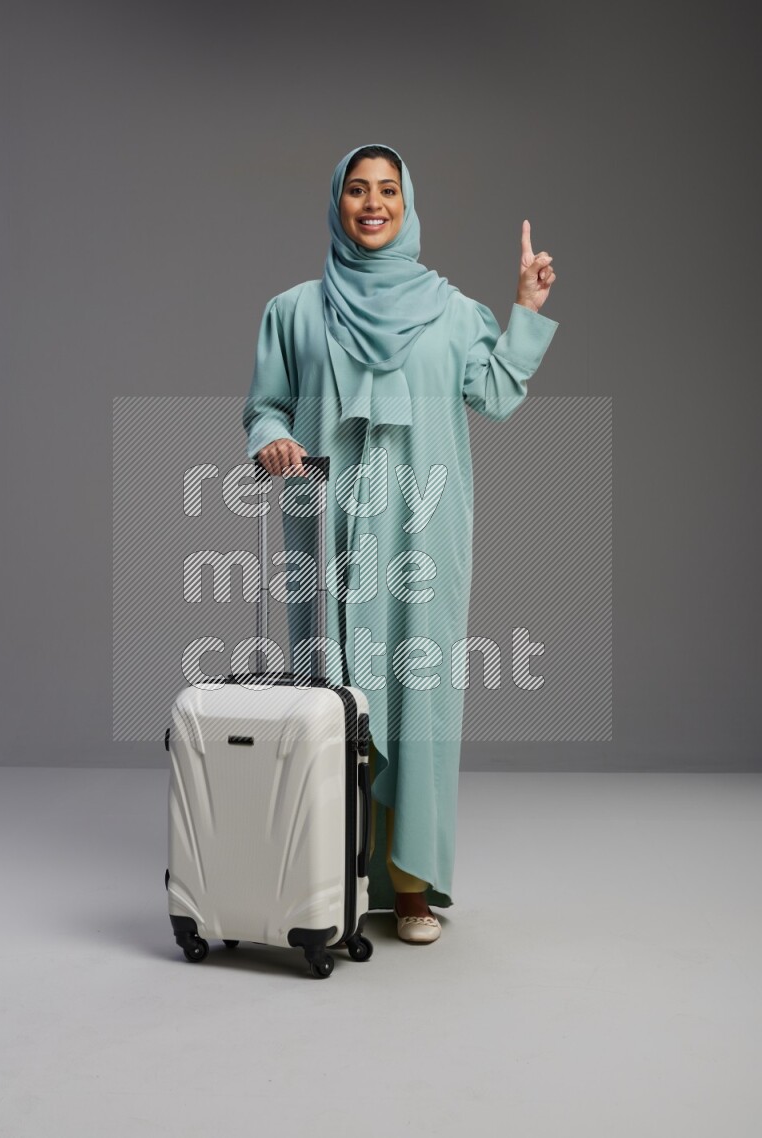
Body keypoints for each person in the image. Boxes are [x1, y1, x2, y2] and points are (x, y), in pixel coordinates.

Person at [243, 143, 558, 944]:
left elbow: (493, 395)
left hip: (425, 529)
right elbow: (265, 408)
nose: (372, 203)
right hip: (326, 529)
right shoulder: (294, 310)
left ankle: (411, 887)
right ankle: (329, 877)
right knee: (330, 700)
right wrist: (273, 441)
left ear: (408, 204)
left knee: (419, 702)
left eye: (387, 190)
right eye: (357, 189)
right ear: (338, 203)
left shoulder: (453, 312)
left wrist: (524, 308)